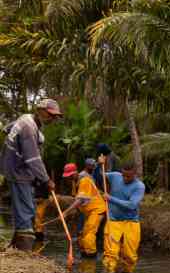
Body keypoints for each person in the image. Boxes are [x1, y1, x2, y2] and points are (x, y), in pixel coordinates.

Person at [0, 99, 62, 251]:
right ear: (40, 111)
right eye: (50, 114)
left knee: (23, 208)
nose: (53, 118)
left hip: (14, 168)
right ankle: (23, 250)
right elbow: (33, 158)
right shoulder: (29, 128)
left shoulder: (25, 119)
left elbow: (6, 129)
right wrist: (46, 180)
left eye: (55, 116)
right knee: (27, 210)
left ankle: (16, 245)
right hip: (18, 170)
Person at [101, 160, 145, 273]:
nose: (125, 178)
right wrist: (100, 164)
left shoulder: (139, 186)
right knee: (111, 249)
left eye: (128, 176)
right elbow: (100, 175)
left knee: (130, 253)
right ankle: (109, 269)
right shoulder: (116, 176)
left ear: (135, 174)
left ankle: (127, 271)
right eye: (123, 175)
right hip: (114, 219)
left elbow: (131, 205)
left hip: (131, 221)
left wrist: (110, 198)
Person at [60, 159, 106, 257]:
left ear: (75, 173)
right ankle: (85, 254)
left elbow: (80, 200)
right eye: (67, 177)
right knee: (83, 234)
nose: (69, 178)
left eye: (70, 176)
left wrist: (66, 212)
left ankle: (90, 257)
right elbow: (79, 201)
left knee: (89, 234)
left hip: (97, 209)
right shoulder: (76, 182)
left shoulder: (84, 180)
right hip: (88, 211)